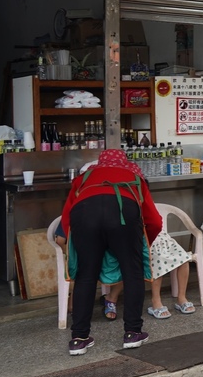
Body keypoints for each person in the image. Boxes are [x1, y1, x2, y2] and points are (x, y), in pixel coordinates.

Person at [60, 149, 162, 355]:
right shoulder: (134, 177)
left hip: (84, 216)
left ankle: (79, 339)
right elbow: (154, 221)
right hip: (123, 214)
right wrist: (139, 248)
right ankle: (133, 333)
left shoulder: (84, 177)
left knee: (85, 276)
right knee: (132, 273)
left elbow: (66, 219)